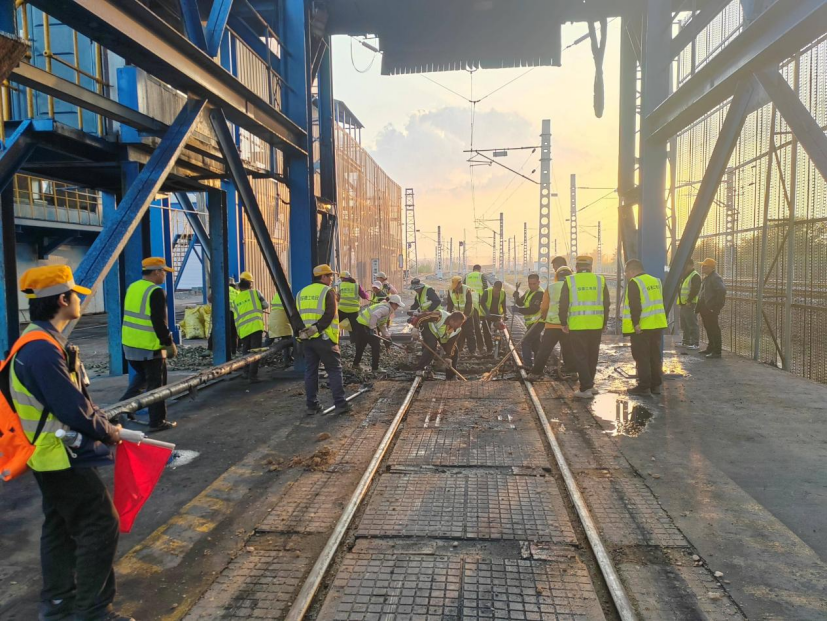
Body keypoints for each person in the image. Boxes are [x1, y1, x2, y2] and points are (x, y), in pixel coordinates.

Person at [12, 265, 129, 621]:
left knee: (60, 527)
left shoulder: (38, 342)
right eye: (75, 295)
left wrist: (102, 422)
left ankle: (58, 604)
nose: (79, 299)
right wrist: (108, 432)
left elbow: (73, 401)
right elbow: (72, 408)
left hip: (48, 453)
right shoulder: (42, 350)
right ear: (63, 300)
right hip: (59, 454)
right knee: (101, 524)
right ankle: (92, 611)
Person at [119, 257, 177, 432]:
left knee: (142, 379)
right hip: (149, 347)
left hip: (130, 345)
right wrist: (168, 343)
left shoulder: (133, 287)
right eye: (164, 272)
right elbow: (159, 321)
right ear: (156, 272)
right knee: (156, 387)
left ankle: (120, 410)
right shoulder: (156, 291)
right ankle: (157, 421)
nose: (165, 276)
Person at [296, 264, 350, 415]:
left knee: (310, 371)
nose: (331, 279)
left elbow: (295, 315)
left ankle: (311, 405)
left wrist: (303, 331)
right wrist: (317, 328)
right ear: (323, 277)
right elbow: (330, 314)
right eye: (329, 276)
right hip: (325, 338)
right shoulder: (328, 291)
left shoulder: (301, 293)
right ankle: (340, 404)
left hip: (307, 340)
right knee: (334, 369)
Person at [559, 255, 610, 399]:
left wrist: (563, 322)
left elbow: (563, 304)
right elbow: (606, 304)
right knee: (592, 355)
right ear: (590, 267)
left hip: (578, 325)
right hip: (596, 324)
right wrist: (604, 322)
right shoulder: (600, 280)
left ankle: (586, 388)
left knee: (580, 356)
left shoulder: (570, 280)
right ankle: (590, 385)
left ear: (576, 267)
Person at [622, 259, 668, 395]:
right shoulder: (656, 281)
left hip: (642, 326)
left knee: (642, 357)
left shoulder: (635, 283)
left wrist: (636, 323)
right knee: (655, 355)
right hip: (657, 324)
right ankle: (656, 385)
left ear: (632, 271)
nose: (626, 275)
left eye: (626, 272)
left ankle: (644, 387)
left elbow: (635, 305)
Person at [526, 265, 574, 380]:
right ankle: (572, 372)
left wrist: (544, 315)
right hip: (568, 325)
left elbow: (544, 307)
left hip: (552, 325)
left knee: (544, 350)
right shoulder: (574, 287)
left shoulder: (551, 287)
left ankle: (535, 373)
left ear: (557, 276)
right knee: (569, 350)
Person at [352, 294, 405, 372]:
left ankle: (355, 364)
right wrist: (372, 328)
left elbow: (382, 324)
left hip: (361, 324)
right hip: (364, 326)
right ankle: (375, 368)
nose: (397, 307)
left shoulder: (387, 309)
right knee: (376, 345)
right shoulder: (385, 309)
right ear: (392, 303)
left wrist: (387, 336)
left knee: (361, 345)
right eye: (397, 305)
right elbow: (374, 315)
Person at [232, 271, 268, 383]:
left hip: (243, 330)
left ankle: (245, 372)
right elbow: (265, 305)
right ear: (250, 284)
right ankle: (252, 376)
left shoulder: (236, 300)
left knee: (246, 352)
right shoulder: (255, 293)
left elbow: (235, 316)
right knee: (255, 352)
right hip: (255, 327)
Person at [413, 310, 466, 380]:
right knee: (432, 345)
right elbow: (422, 316)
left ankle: (450, 376)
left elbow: (451, 343)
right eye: (459, 323)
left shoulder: (458, 330)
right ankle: (420, 368)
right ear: (452, 321)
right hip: (430, 330)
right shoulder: (439, 316)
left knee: (454, 351)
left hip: (442, 335)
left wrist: (448, 356)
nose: (460, 326)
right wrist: (415, 327)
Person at [695, 258, 726, 359]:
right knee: (708, 328)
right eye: (702, 266)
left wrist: (716, 307)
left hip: (710, 308)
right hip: (705, 308)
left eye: (705, 266)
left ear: (711, 268)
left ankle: (717, 351)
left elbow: (722, 290)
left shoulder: (715, 278)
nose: (702, 268)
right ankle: (711, 347)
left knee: (714, 329)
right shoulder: (708, 278)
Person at [512, 273, 545, 367]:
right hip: (531, 323)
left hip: (538, 322)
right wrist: (516, 296)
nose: (532, 286)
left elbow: (534, 309)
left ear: (538, 282)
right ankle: (539, 365)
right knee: (535, 344)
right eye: (530, 284)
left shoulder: (540, 294)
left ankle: (528, 364)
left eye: (534, 284)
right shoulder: (528, 292)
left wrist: (519, 310)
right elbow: (521, 303)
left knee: (525, 342)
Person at [445, 275, 477, 355]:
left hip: (468, 315)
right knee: (458, 332)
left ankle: (472, 351)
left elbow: (469, 303)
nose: (455, 288)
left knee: (469, 333)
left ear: (460, 283)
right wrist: (449, 314)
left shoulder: (466, 290)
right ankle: (459, 349)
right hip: (457, 316)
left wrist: (465, 316)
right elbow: (450, 303)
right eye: (454, 286)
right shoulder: (450, 290)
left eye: (456, 286)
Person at [463, 264, 489, 352]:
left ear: (473, 269)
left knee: (466, 325)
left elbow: (463, 287)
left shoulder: (467, 276)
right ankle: (480, 346)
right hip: (478, 301)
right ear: (479, 269)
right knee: (477, 325)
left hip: (468, 302)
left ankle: (461, 347)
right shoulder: (481, 275)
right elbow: (485, 289)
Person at [678, 258, 701, 350]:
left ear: (691, 265)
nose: (684, 267)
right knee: (684, 324)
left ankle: (695, 343)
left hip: (690, 304)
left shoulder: (695, 275)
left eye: (686, 265)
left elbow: (695, 289)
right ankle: (686, 341)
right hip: (684, 304)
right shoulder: (685, 275)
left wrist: (689, 300)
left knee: (692, 324)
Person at [478, 280, 507, 354]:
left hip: (496, 314)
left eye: (499, 290)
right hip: (486, 314)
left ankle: (498, 348)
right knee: (487, 331)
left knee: (498, 330)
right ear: (493, 287)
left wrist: (505, 314)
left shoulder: (503, 293)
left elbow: (503, 304)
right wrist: (487, 312)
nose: (497, 292)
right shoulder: (487, 292)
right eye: (496, 290)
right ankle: (489, 348)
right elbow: (482, 302)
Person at [267, 288, 293, 369]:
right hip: (282, 319)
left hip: (273, 318)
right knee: (287, 340)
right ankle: (286, 361)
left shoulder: (277, 295)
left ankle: (257, 357)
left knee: (269, 339)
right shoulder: (290, 295)